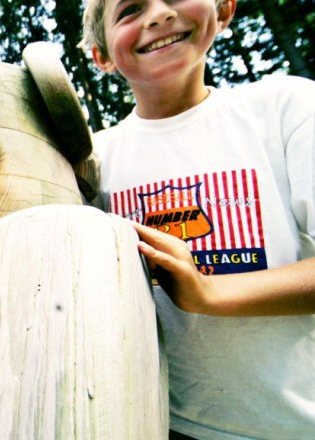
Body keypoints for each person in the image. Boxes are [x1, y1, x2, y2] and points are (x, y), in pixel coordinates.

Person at [81, 0, 315, 438]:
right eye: (130, 10)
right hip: (160, 425)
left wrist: (208, 291)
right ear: (102, 55)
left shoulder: (288, 107)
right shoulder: (95, 161)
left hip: (293, 424)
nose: (157, 15)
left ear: (224, 9)